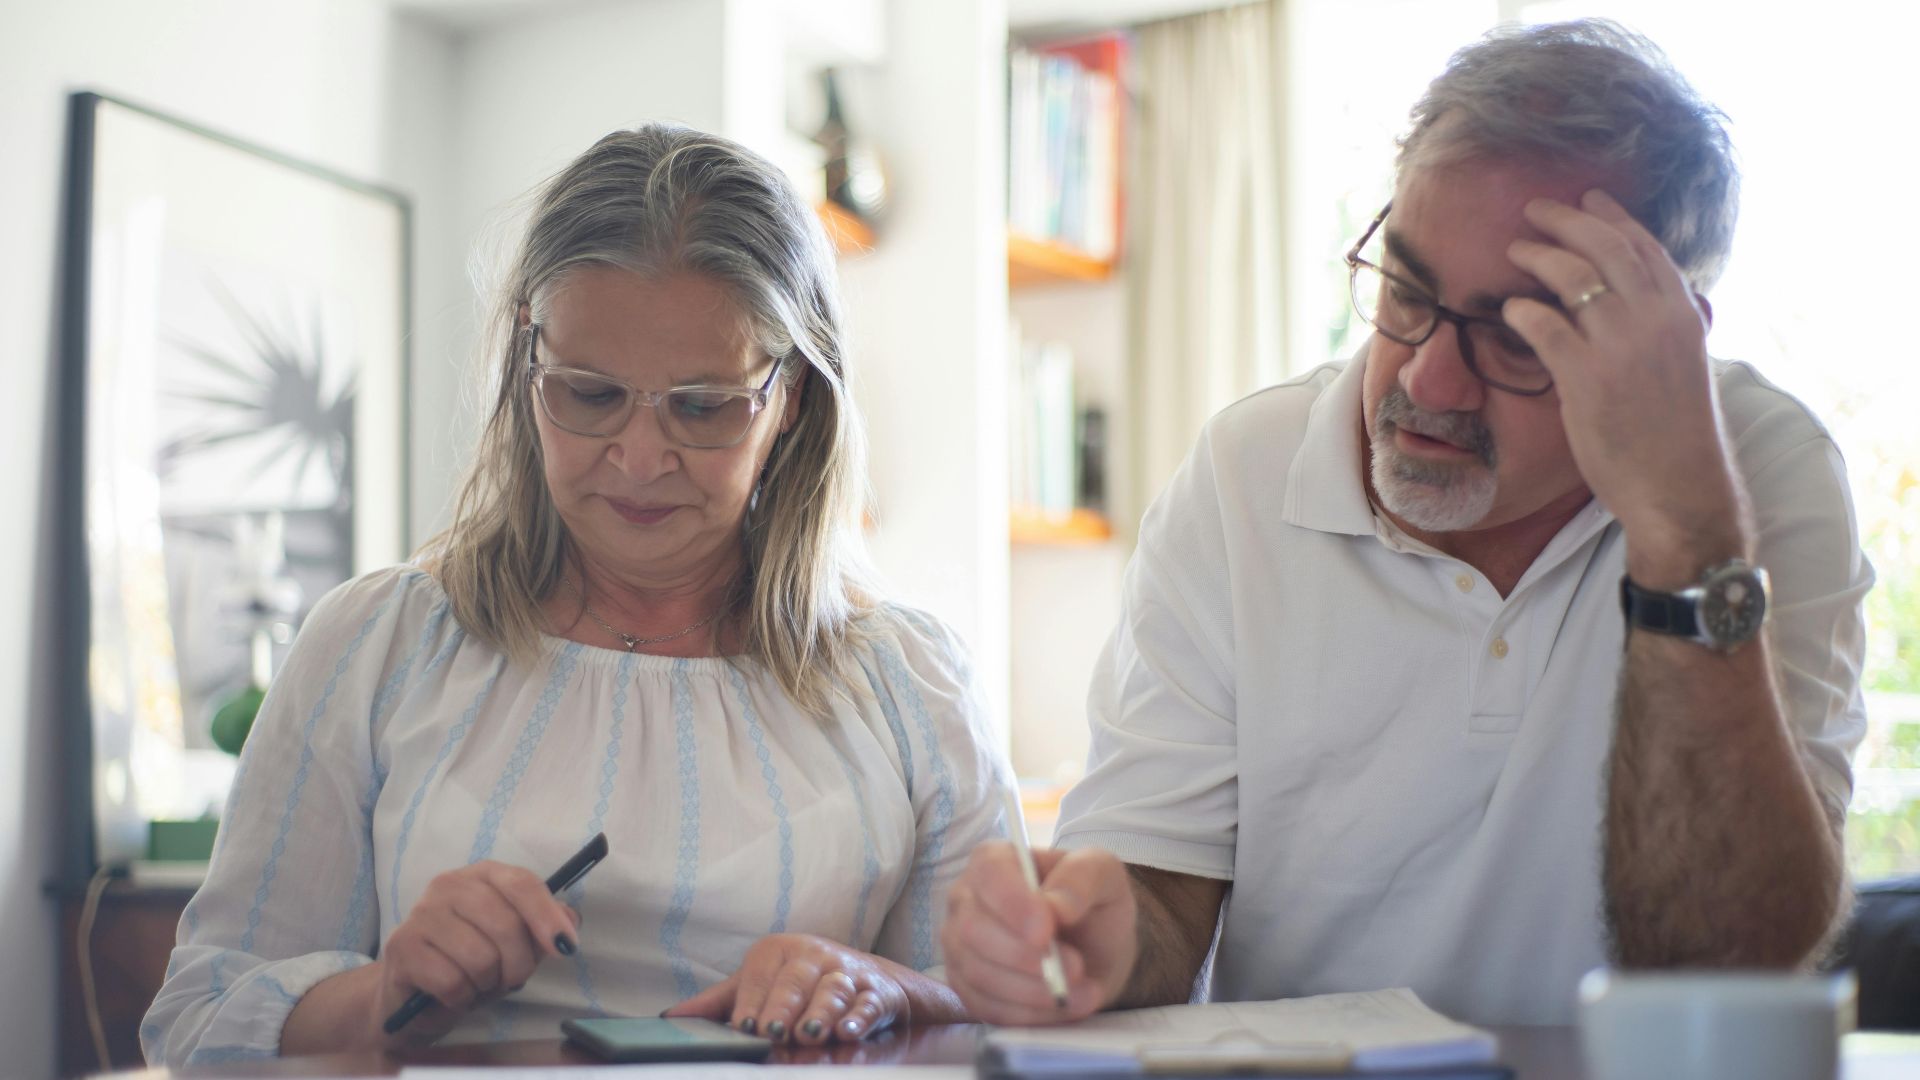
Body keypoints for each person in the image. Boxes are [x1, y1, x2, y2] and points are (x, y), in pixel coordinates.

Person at [943, 19, 1869, 1027]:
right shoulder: (1246, 471)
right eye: (1406, 290)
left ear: (1659, 339)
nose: (1427, 377)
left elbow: (1726, 953)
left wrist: (1685, 530)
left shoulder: (1758, 473)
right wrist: (1103, 942)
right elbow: (1161, 893)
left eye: (1517, 332)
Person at [143, 124, 1012, 1065]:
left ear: (791, 395)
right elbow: (198, 1019)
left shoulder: (911, 685)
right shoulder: (377, 645)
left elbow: (1012, 1025)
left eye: (704, 405)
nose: (640, 460)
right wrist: (390, 994)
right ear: (526, 365)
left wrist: (894, 992)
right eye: (590, 395)